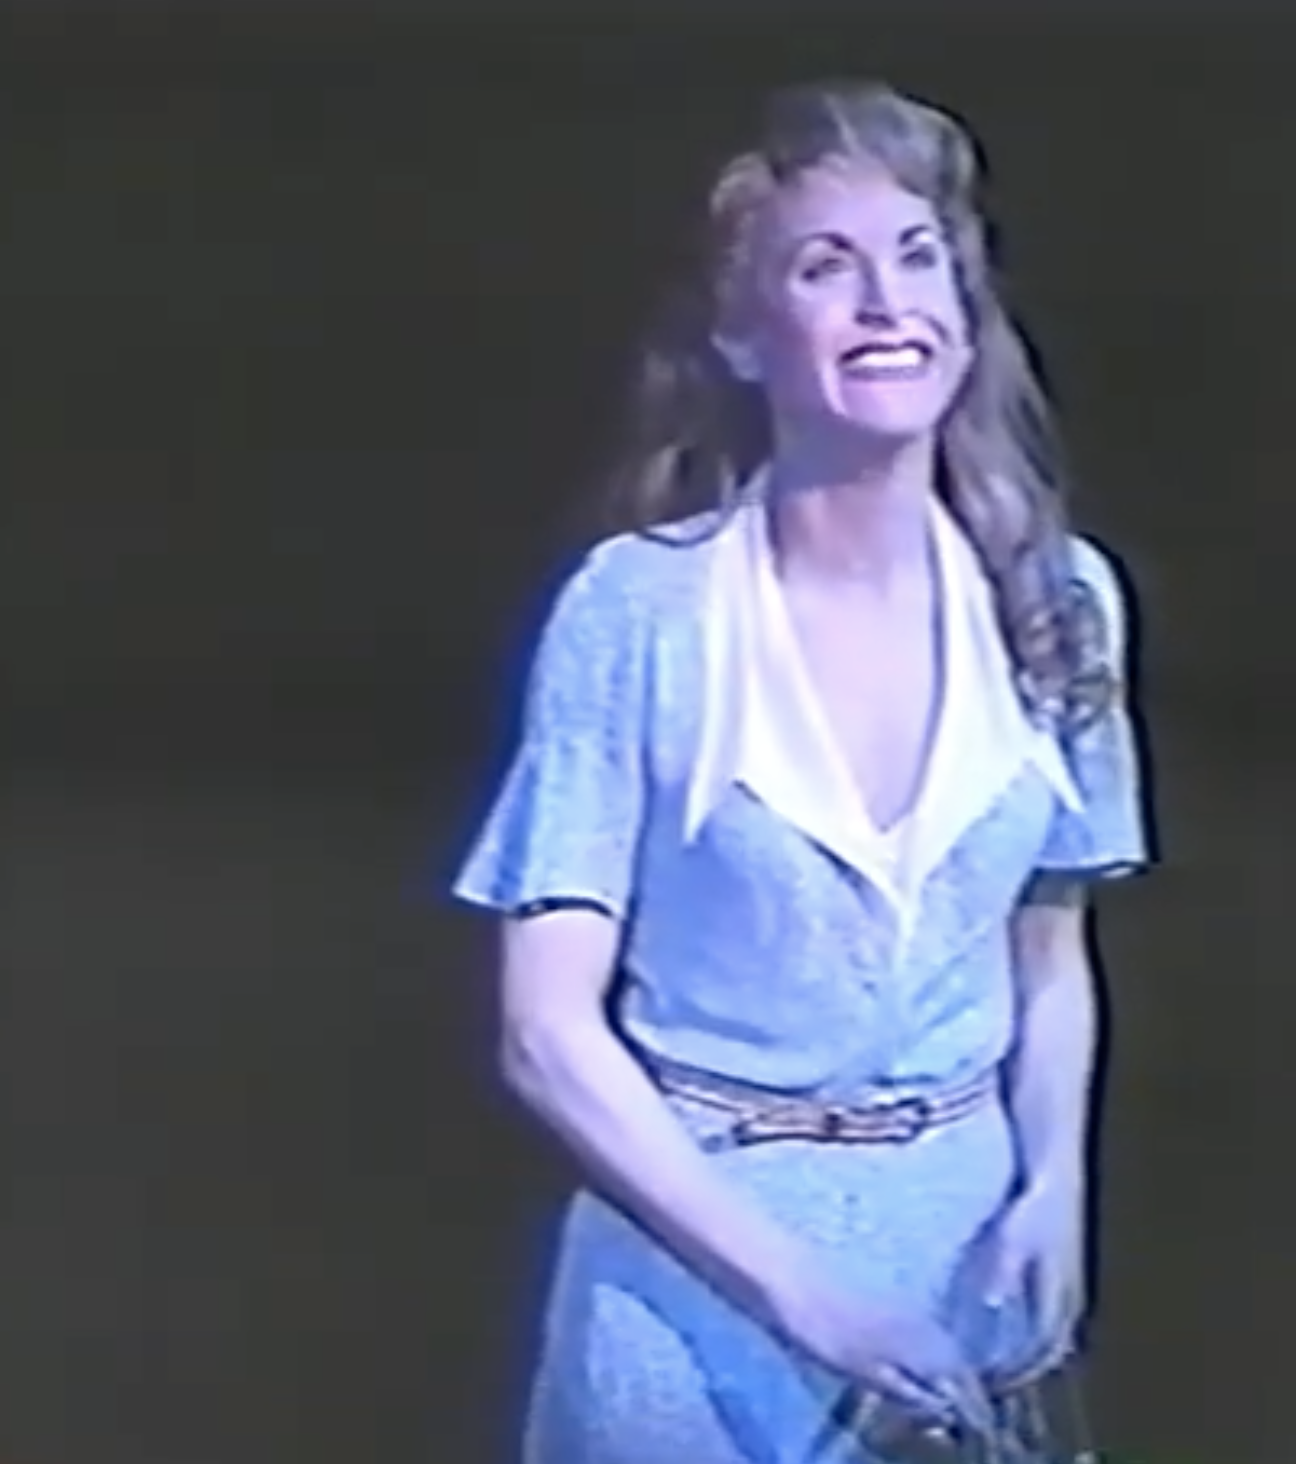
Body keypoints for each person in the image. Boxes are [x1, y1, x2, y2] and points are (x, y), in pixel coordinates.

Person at [451, 78, 1155, 1464]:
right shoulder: (638, 612)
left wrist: (1054, 1185)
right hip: (693, 1294)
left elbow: (1050, 958)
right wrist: (806, 1303)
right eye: (827, 267)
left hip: (963, 1288)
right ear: (741, 332)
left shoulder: (1058, 601)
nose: (887, 303)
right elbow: (545, 1032)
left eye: (918, 259)